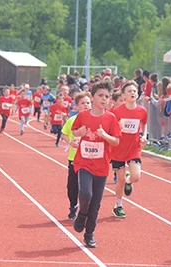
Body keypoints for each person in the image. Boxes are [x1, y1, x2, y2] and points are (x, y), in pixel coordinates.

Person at [72, 81, 121, 248]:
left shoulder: (111, 118)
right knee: (85, 195)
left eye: (107, 96)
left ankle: (89, 233)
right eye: (100, 95)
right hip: (84, 163)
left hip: (101, 166)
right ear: (92, 97)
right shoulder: (83, 116)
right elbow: (74, 131)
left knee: (96, 204)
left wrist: (105, 135)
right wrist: (79, 133)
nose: (104, 99)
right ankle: (82, 214)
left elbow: (115, 141)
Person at [111, 81, 148, 218]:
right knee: (119, 181)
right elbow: (111, 128)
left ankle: (129, 181)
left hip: (134, 148)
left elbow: (144, 124)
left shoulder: (142, 111)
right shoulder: (117, 111)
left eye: (134, 91)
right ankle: (118, 206)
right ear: (123, 95)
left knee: (136, 177)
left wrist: (144, 136)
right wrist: (117, 128)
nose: (133, 93)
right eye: (129, 91)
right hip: (118, 149)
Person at [61, 92, 92, 220]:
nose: (86, 105)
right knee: (72, 186)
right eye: (83, 103)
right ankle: (73, 206)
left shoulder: (95, 120)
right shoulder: (71, 120)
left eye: (88, 103)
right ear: (77, 106)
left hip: (90, 159)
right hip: (74, 159)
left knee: (87, 188)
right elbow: (64, 134)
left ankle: (86, 210)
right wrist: (70, 142)